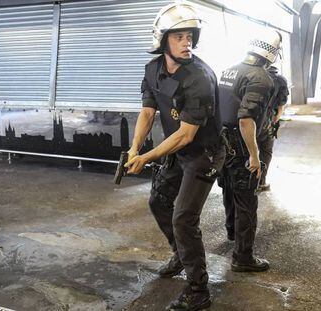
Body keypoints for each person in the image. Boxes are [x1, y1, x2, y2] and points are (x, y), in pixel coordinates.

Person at [124, 2, 225, 310]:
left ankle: (198, 290)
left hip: (203, 154)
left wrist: (147, 156)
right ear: (163, 40)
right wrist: (133, 149)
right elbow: (146, 111)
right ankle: (180, 255)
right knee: (158, 201)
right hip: (177, 150)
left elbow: (186, 134)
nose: (187, 42)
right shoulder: (153, 69)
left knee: (184, 217)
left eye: (190, 36)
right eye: (179, 36)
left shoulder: (200, 77)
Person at [218, 29, 282, 272]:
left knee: (229, 190)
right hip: (241, 145)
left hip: (223, 145)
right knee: (247, 201)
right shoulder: (261, 78)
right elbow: (246, 119)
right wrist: (254, 156)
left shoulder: (229, 70)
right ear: (272, 54)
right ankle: (243, 258)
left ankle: (232, 232)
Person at [257, 65, 289, 191]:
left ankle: (247, 180)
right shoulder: (280, 79)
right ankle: (260, 181)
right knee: (265, 151)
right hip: (266, 121)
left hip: (247, 121)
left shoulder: (251, 74)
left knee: (248, 151)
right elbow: (281, 105)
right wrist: (274, 120)